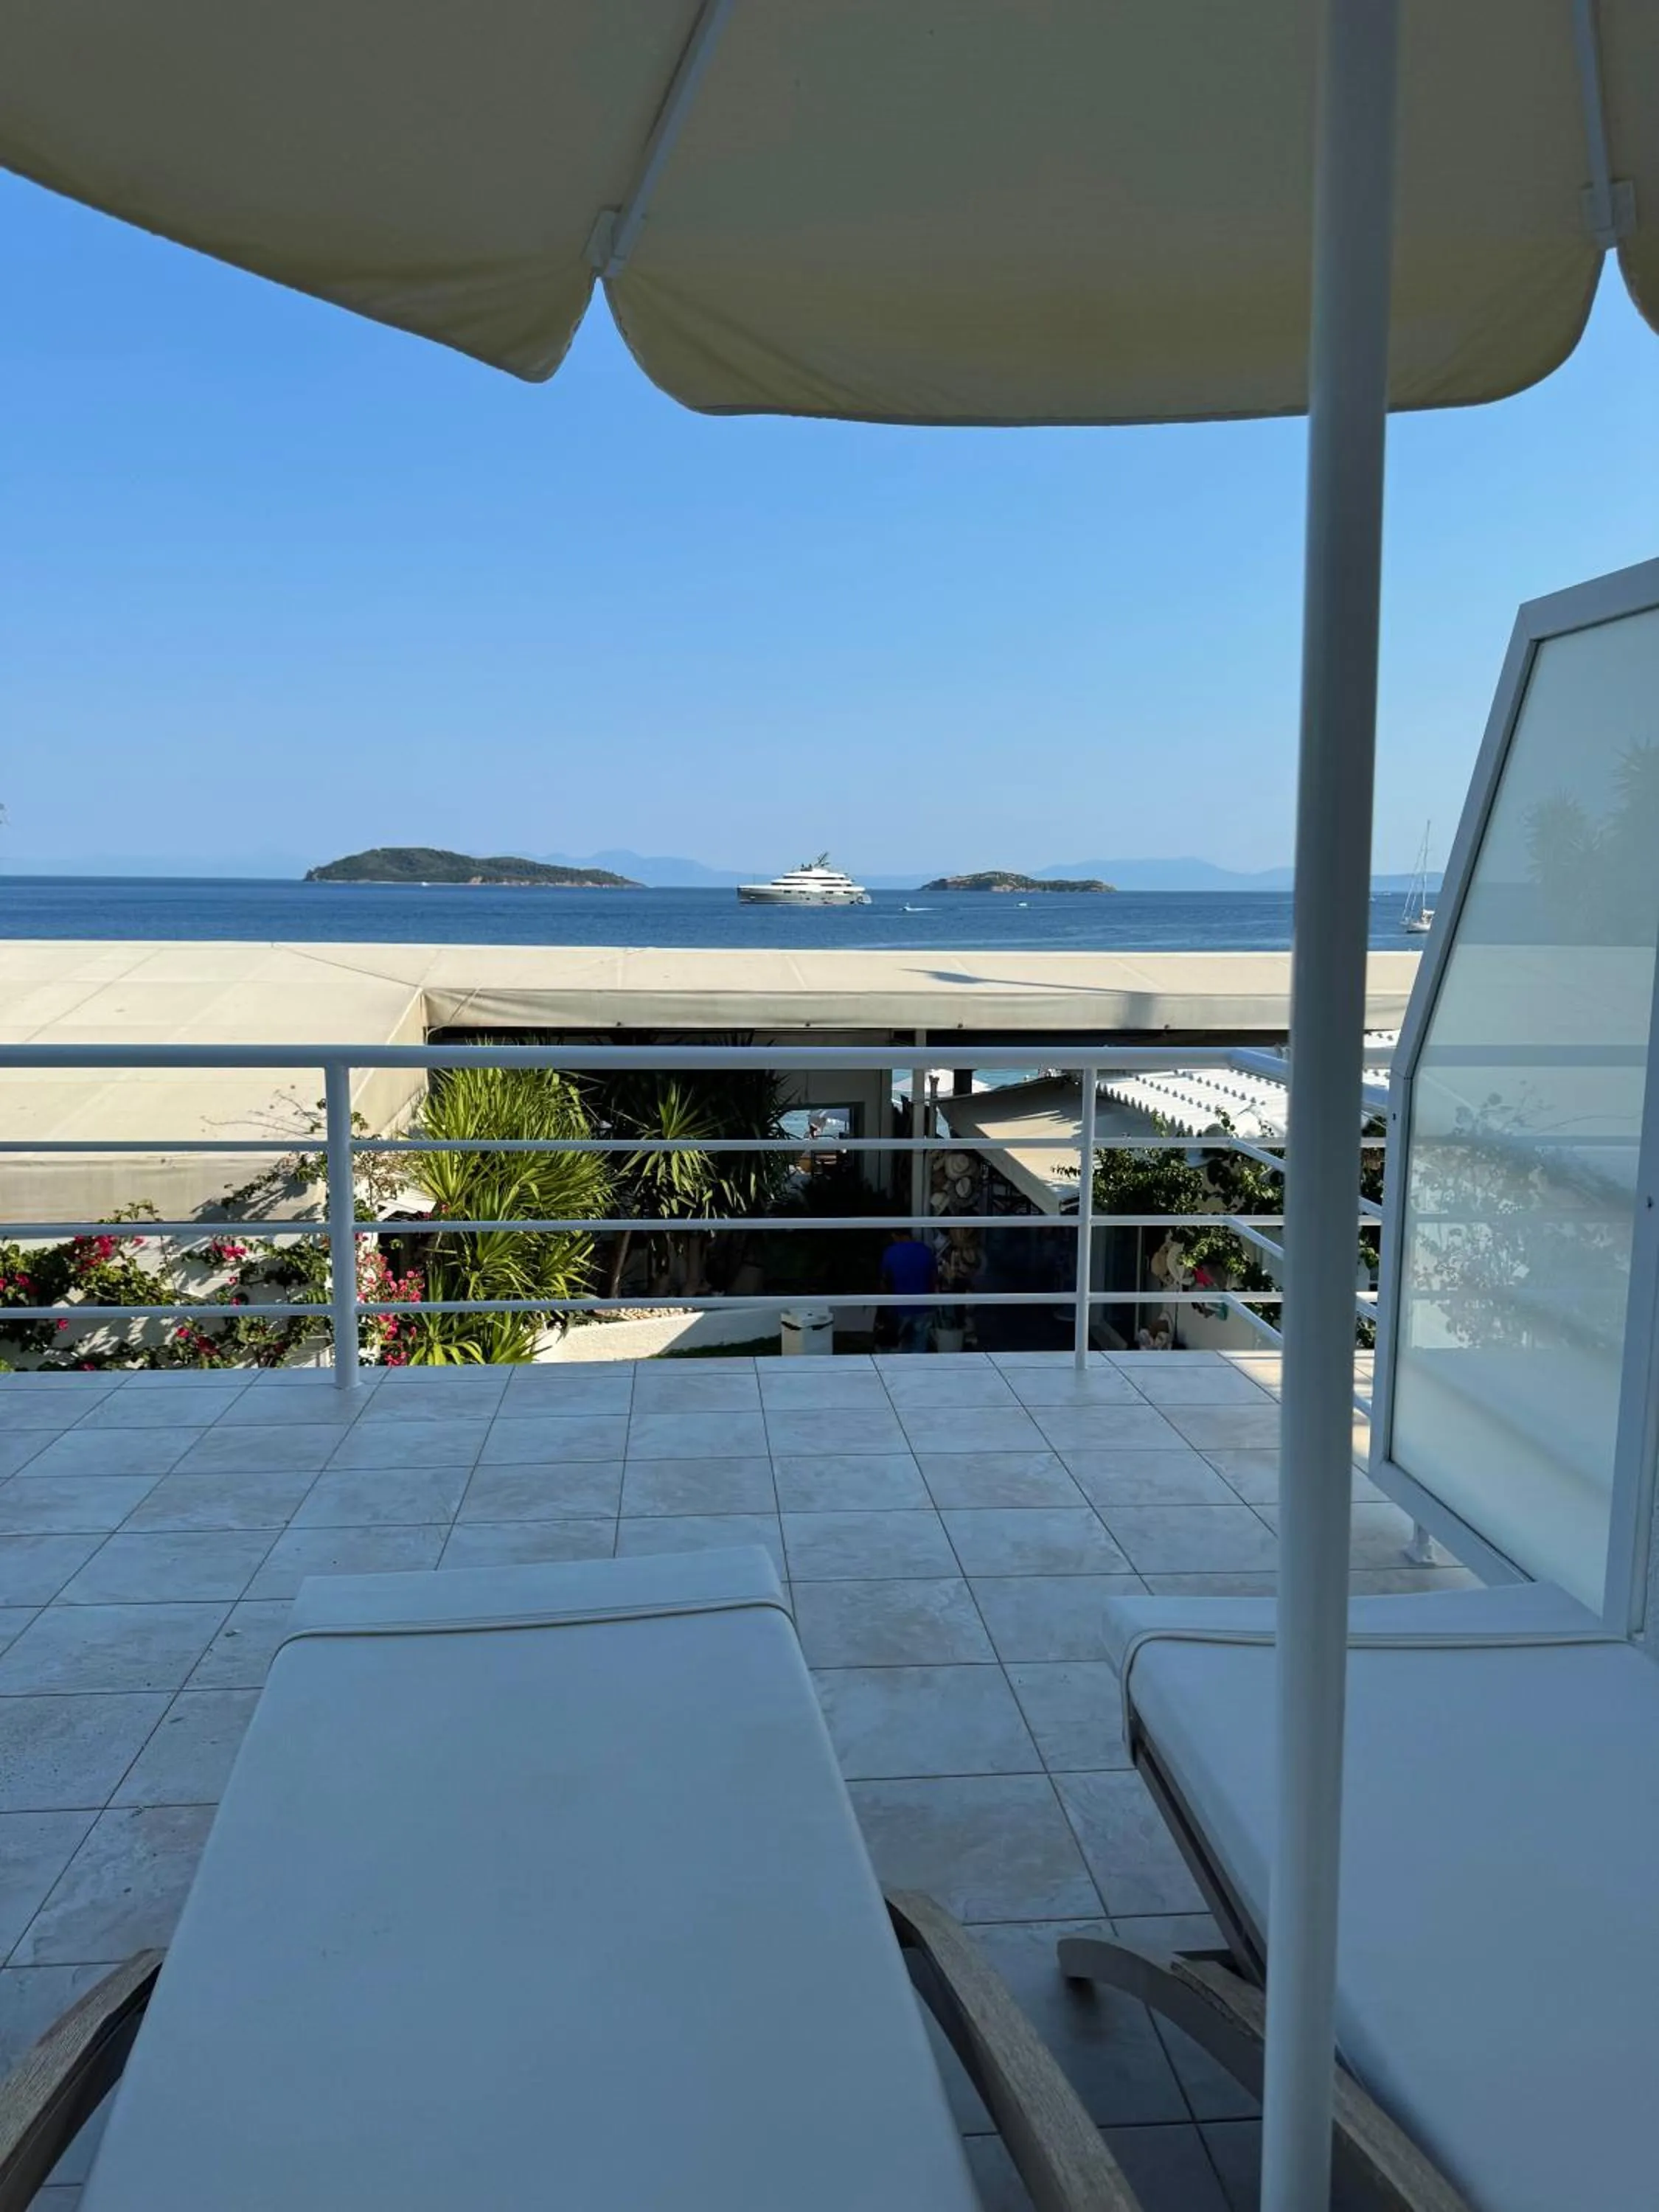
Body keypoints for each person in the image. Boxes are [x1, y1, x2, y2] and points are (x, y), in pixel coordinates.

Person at [880, 1226, 937, 1354]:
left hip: (900, 1308)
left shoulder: (890, 1252)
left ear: (895, 1236)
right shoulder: (926, 1250)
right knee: (919, 1347)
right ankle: (915, 1371)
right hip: (924, 1307)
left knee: (896, 1348)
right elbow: (934, 1279)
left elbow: (884, 1283)